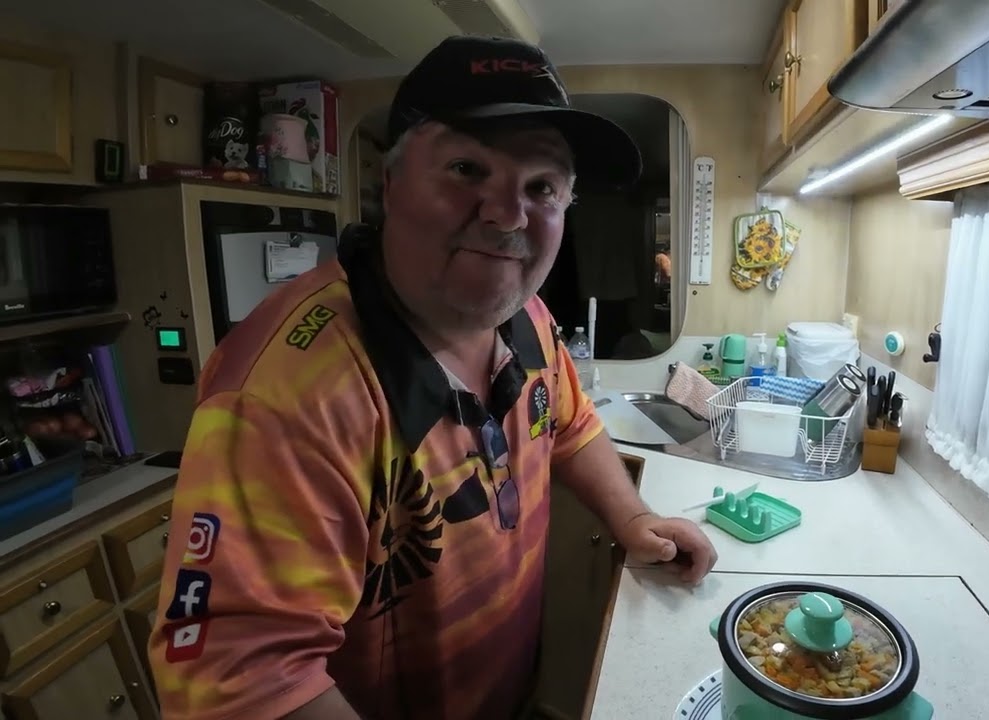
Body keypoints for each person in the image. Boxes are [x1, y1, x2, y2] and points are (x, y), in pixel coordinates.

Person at [148, 35, 718, 720]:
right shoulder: (285, 395)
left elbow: (569, 425)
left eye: (542, 187)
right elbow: (238, 680)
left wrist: (633, 517)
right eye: (467, 169)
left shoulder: (530, 318)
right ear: (391, 185)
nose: (508, 214)